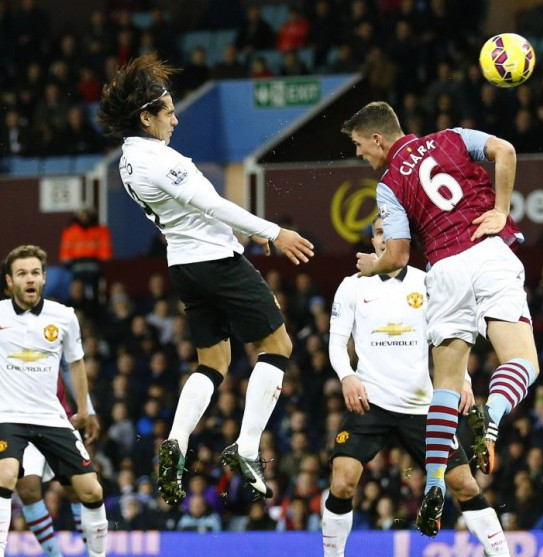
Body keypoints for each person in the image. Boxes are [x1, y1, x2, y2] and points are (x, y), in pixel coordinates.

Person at [97, 54, 314, 506]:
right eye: (169, 112)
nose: (175, 119)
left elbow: (195, 211)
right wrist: (272, 231)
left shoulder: (128, 162)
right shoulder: (160, 160)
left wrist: (236, 230)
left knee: (213, 362)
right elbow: (213, 205)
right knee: (279, 347)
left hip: (184, 267)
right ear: (146, 117)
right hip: (216, 263)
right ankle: (248, 446)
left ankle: (176, 439)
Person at [342, 101, 539, 536]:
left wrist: (369, 266)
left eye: (358, 145)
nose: (359, 154)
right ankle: (495, 413)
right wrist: (502, 211)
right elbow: (505, 151)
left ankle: (433, 481)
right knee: (522, 361)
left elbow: (396, 256)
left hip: (445, 270)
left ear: (378, 139)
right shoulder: (451, 138)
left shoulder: (390, 184)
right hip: (486, 248)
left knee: (446, 385)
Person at [322, 216, 509, 556]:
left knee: (463, 484)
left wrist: (463, 381)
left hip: (423, 407)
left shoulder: (428, 283)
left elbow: (449, 338)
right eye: (379, 233)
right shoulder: (352, 285)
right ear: (373, 240)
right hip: (371, 401)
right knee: (342, 479)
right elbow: (336, 342)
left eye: (391, 233)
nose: (384, 239)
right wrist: (347, 376)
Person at [0, 245, 108, 557]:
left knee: (91, 489)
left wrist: (85, 411)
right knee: (8, 475)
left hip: (51, 417)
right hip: (8, 415)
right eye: (22, 274)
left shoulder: (63, 317)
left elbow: (75, 364)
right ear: (10, 281)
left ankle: (97, 555)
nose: (29, 278)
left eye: (35, 272)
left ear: (44, 278)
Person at [16, 357, 101, 557]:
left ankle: (93, 553)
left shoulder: (56, 325)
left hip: (57, 418)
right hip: (16, 420)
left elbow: (69, 365)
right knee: (28, 490)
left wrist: (87, 410)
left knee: (79, 490)